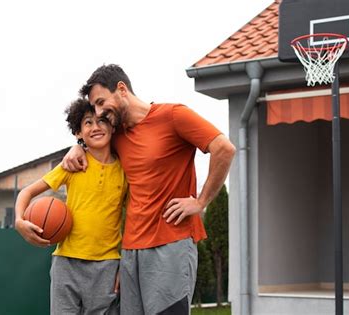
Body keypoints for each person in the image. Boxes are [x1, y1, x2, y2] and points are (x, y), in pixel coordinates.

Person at [62, 64, 236, 315]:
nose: (99, 112)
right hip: (132, 251)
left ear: (121, 89)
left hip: (171, 244)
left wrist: (200, 202)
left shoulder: (174, 115)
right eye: (95, 106)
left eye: (101, 102)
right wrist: (78, 145)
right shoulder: (117, 134)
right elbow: (92, 140)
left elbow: (224, 149)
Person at [15, 98, 127, 315]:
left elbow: (132, 219)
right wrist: (19, 220)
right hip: (66, 262)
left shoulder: (125, 171)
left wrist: (125, 264)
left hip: (108, 264)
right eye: (88, 123)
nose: (96, 127)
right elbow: (26, 192)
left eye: (102, 121)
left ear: (112, 126)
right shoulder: (72, 165)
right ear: (78, 132)